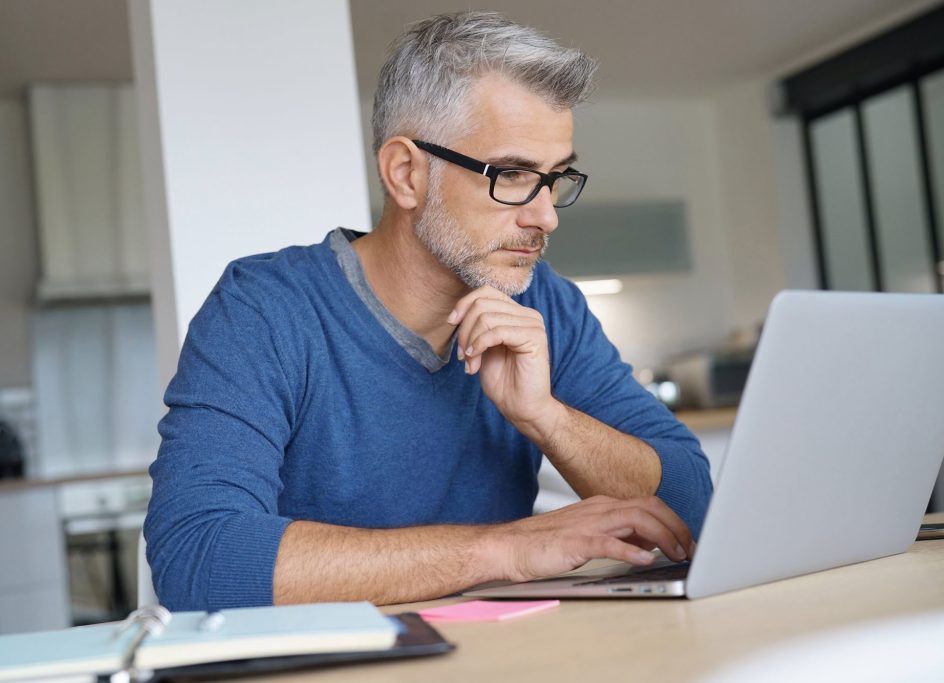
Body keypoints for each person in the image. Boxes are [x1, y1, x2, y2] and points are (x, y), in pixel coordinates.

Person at [145, 11, 713, 611]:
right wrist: (501, 551)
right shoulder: (263, 310)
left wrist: (546, 417)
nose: (546, 216)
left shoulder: (547, 303)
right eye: (513, 175)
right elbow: (199, 557)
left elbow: (690, 509)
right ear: (406, 173)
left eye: (556, 178)